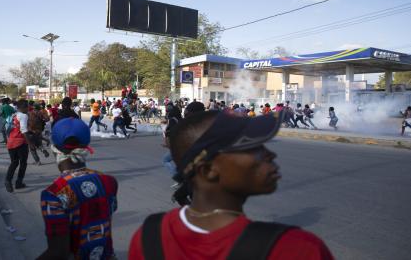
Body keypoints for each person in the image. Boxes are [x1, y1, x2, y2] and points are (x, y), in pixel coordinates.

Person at [128, 111, 334, 260]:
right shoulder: (297, 249)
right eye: (252, 148)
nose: (270, 155)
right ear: (208, 171)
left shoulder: (149, 236)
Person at [37, 118, 118, 260]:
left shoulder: (53, 194)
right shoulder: (109, 182)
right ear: (86, 147)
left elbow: (58, 252)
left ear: (55, 149)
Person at [5, 99, 34, 192]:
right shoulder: (24, 116)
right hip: (20, 142)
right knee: (23, 163)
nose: (28, 108)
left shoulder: (14, 114)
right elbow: (24, 130)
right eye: (27, 106)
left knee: (14, 162)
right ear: (23, 107)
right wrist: (30, 144)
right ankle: (19, 182)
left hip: (11, 141)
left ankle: (8, 180)